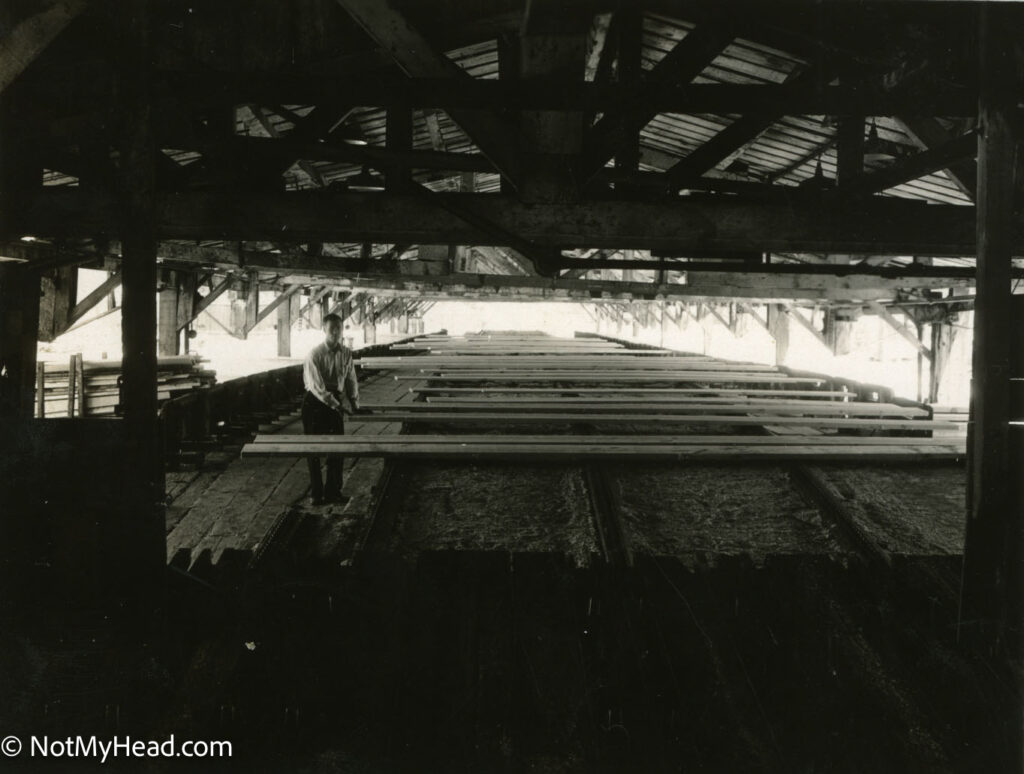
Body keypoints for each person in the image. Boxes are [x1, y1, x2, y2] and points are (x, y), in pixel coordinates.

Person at [302, 313, 359, 505]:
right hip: (315, 403)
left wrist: (355, 403)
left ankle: (333, 491)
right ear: (324, 330)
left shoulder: (346, 353)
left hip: (335, 401)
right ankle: (316, 494)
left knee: (337, 448)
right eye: (332, 329)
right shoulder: (314, 354)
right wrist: (338, 405)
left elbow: (351, 379)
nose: (336, 332)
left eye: (339, 328)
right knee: (314, 450)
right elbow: (317, 388)